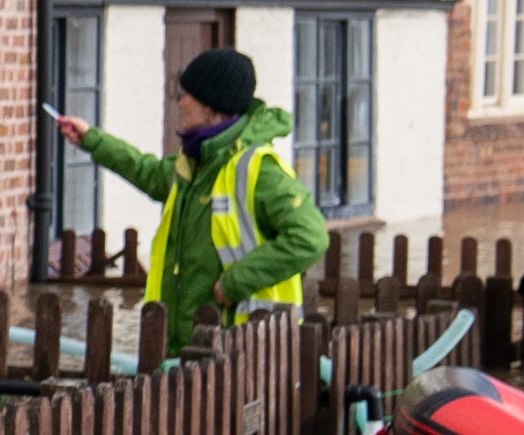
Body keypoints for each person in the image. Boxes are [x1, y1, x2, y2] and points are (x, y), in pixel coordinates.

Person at [45, 46, 327, 352]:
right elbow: (148, 172)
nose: (180, 102)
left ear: (212, 105)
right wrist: (91, 139)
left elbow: (310, 237)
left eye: (188, 94)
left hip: (237, 344)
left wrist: (236, 282)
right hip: (187, 337)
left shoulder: (258, 169)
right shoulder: (196, 161)